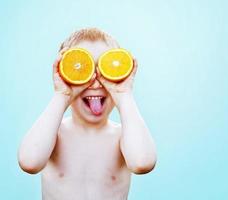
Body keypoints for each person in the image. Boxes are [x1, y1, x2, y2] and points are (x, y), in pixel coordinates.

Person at [17, 27, 157, 200]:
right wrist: (62, 94)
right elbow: (29, 162)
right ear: (64, 73)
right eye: (84, 68)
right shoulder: (53, 134)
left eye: (104, 69)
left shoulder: (123, 136)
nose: (96, 83)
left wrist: (124, 94)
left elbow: (143, 162)